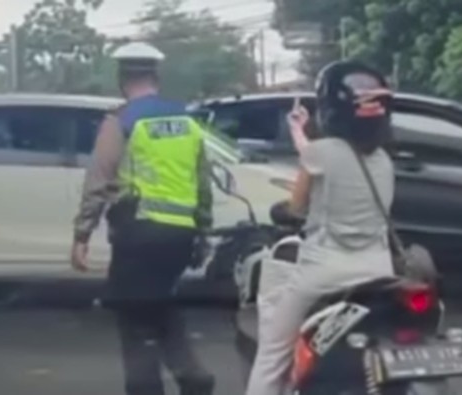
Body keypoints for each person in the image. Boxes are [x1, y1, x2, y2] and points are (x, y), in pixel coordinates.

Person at [71, 41, 215, 395]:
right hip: (181, 236)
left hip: (139, 234)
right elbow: (203, 183)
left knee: (135, 322)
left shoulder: (121, 121)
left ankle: (167, 383)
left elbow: (99, 180)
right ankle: (193, 376)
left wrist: (82, 234)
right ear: (156, 76)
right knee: (161, 306)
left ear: (123, 79)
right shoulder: (187, 119)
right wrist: (203, 231)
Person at [245, 60, 397, 395]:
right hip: (379, 271)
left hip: (326, 273)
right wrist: (300, 130)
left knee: (273, 351)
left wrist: (289, 208)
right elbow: (321, 156)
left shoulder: (323, 153)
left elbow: (298, 204)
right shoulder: (384, 160)